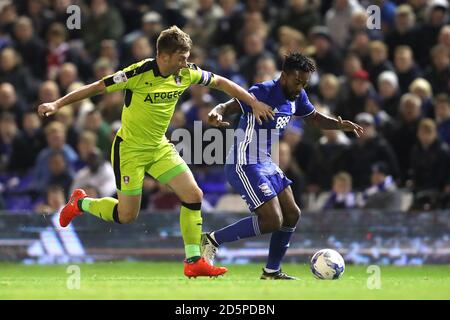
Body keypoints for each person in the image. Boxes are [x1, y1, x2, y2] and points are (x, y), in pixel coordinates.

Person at [37, 25, 274, 278]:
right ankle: (80, 203)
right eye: (181, 57)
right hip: (129, 150)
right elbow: (96, 87)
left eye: (187, 56)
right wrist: (57, 103)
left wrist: (253, 102)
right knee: (127, 215)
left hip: (159, 147)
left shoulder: (187, 74)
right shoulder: (138, 73)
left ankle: (193, 260)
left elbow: (223, 83)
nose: (187, 62)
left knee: (193, 195)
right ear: (163, 56)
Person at [201, 53, 363, 279]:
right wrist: (216, 111)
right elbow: (230, 105)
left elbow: (314, 118)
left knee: (292, 214)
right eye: (297, 82)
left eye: (305, 83)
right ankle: (212, 239)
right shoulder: (263, 91)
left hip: (266, 163)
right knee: (271, 220)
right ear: (284, 75)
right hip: (244, 162)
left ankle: (272, 271)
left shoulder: (298, 96)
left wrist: (338, 125)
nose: (300, 87)